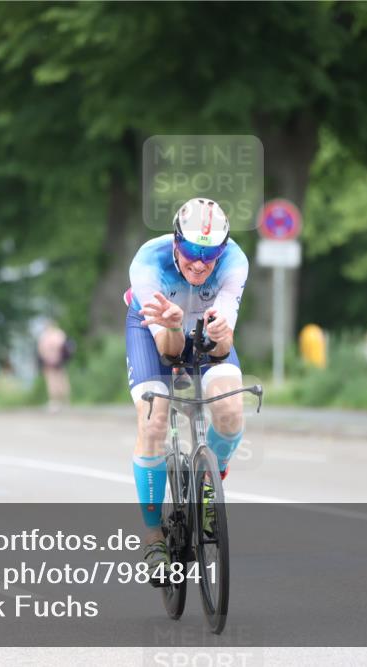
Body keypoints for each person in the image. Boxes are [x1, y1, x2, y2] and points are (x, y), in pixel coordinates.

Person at [124, 198, 248, 582]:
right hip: (156, 329)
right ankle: (152, 537)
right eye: (192, 251)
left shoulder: (235, 264)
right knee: (154, 419)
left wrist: (218, 337)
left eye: (210, 254)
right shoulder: (148, 263)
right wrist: (175, 326)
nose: (199, 262)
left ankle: (208, 485)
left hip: (205, 327)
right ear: (176, 242)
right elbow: (169, 352)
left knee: (229, 411)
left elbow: (222, 348)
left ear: (222, 252)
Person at [37, 320, 71, 412]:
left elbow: (42, 349)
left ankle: (57, 402)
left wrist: (48, 356)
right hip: (57, 361)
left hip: (52, 361)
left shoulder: (46, 336)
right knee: (59, 380)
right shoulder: (59, 334)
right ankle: (62, 402)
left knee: (54, 381)